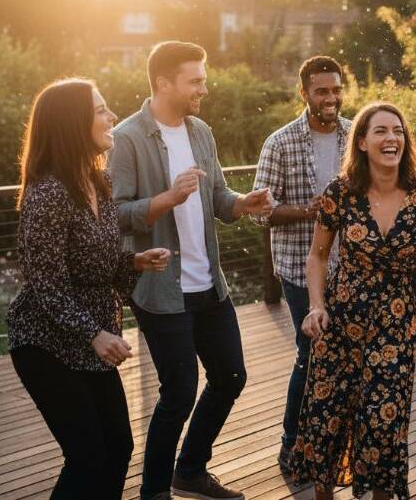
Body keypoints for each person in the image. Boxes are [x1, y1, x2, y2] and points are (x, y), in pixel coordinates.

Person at [108, 41, 273, 500]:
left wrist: (244, 203)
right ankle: (154, 491)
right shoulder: (127, 138)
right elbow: (115, 213)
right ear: (164, 83)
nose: (204, 87)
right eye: (195, 80)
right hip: (161, 289)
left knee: (231, 377)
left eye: (203, 78)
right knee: (179, 392)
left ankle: (191, 471)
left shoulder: (201, 131)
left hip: (210, 284)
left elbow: (218, 198)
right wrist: (168, 198)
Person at [7, 78, 171, 499]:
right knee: (87, 458)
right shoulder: (48, 195)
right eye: (100, 110)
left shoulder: (97, 184)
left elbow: (92, 265)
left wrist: (133, 262)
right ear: (72, 124)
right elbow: (47, 284)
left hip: (90, 339)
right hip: (45, 344)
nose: (112, 116)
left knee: (118, 447)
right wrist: (95, 334)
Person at [288, 101, 416, 500]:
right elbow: (318, 255)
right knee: (328, 418)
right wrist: (316, 305)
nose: (391, 138)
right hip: (340, 322)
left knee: (384, 422)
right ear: (361, 142)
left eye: (397, 131)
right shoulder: (340, 193)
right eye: (380, 131)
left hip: (395, 325)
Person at [251, 55, 351, 470]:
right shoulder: (280, 141)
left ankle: (335, 444)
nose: (330, 98)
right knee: (310, 353)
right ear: (305, 94)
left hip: (350, 267)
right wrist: (311, 212)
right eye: (321, 91)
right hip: (297, 267)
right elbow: (260, 211)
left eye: (336, 89)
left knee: (344, 355)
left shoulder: (355, 135)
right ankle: (291, 444)